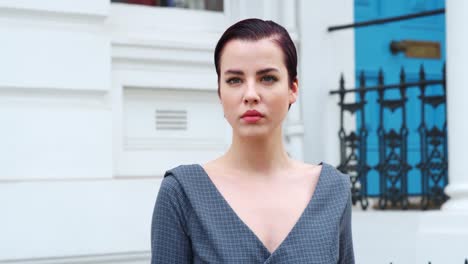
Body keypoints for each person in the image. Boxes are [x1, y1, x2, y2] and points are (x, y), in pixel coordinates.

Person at [151, 18, 354, 263]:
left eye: (267, 78)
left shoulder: (332, 190)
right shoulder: (182, 193)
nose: (250, 94)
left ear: (293, 88)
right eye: (234, 80)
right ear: (219, 92)